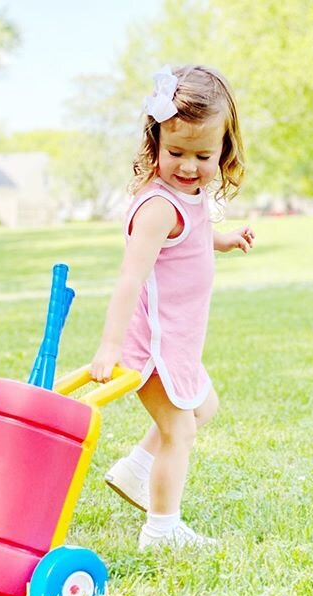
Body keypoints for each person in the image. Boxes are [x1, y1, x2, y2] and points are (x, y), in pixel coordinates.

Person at [90, 64, 255, 550]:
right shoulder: (159, 206)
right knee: (179, 429)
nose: (187, 166)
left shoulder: (191, 198)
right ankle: (161, 530)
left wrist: (223, 240)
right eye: (175, 152)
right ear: (155, 144)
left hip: (179, 341)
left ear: (223, 150)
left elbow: (190, 240)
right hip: (153, 346)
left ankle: (137, 467)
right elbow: (129, 279)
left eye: (202, 154)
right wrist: (109, 348)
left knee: (205, 406)